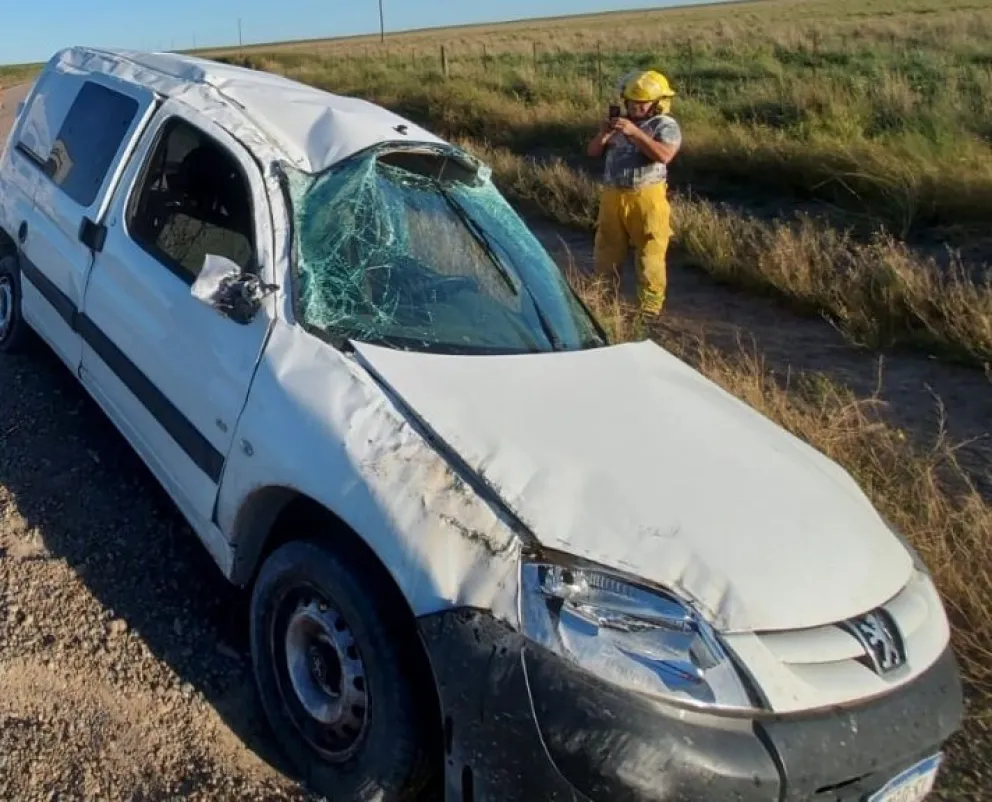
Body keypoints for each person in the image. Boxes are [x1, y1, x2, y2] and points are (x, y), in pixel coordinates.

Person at [587, 70, 681, 318]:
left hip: (646, 196)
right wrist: (604, 133)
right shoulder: (621, 123)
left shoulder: (665, 125)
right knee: (607, 248)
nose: (636, 107)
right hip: (613, 195)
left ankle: (649, 308)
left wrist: (635, 133)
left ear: (658, 103)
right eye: (631, 102)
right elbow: (593, 152)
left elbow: (664, 156)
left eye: (642, 103)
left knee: (650, 252)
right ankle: (602, 298)